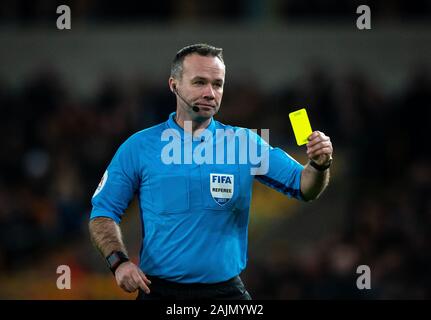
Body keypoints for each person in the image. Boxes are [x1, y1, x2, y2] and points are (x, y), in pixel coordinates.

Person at [89, 43, 333, 300]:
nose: (210, 92)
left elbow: (304, 186)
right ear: (174, 85)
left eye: (217, 84)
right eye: (199, 83)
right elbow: (103, 212)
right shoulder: (139, 147)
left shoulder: (245, 144)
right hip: (160, 292)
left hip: (225, 294)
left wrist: (319, 164)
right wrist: (119, 262)